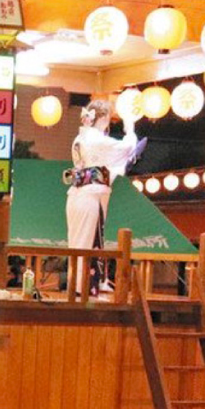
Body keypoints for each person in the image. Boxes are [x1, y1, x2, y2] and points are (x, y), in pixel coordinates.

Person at [65, 99, 141, 298]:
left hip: (77, 194)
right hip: (91, 194)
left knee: (80, 241)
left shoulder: (79, 139)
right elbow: (126, 148)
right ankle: (85, 286)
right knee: (89, 240)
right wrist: (130, 127)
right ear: (105, 117)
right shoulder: (96, 139)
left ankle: (82, 284)